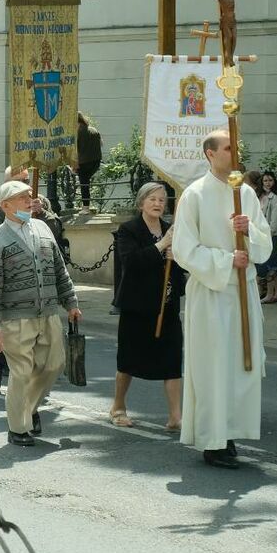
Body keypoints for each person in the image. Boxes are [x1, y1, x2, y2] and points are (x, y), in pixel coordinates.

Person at [171, 129, 273, 469]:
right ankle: (212, 441)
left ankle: (229, 432)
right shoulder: (194, 195)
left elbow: (265, 243)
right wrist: (227, 260)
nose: (235, 152)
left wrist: (249, 232)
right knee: (214, 366)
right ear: (210, 154)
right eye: (228, 147)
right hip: (212, 293)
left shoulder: (245, 193)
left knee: (238, 365)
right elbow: (185, 249)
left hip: (242, 290)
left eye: (236, 146)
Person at [0, 180, 82, 446]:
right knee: (22, 372)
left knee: (54, 364)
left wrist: (70, 302)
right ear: (6, 205)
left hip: (47, 312)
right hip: (15, 317)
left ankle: (29, 409)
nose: (29, 201)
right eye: (22, 197)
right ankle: (18, 427)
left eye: (29, 196)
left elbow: (60, 270)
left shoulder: (43, 228)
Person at [111, 182, 186, 431]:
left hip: (167, 306)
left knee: (173, 360)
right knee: (129, 359)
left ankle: (176, 416)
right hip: (138, 307)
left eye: (162, 200)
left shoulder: (171, 229)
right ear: (141, 202)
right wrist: (161, 245)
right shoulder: (129, 230)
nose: (157, 204)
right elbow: (131, 262)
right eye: (152, 199)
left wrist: (179, 259)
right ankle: (118, 406)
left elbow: (182, 266)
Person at [258, 171, 277, 303]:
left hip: (270, 234)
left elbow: (274, 221)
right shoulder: (261, 196)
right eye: (265, 181)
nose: (268, 183)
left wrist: (268, 234)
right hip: (262, 233)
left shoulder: (275, 198)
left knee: (270, 264)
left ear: (274, 182)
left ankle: (270, 294)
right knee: (272, 262)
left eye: (270, 180)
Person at [76, 112, 103, 209]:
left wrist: (74, 164)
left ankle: (86, 207)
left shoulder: (78, 133)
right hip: (96, 161)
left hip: (83, 163)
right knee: (86, 183)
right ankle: (87, 206)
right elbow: (100, 144)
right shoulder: (93, 130)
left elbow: (76, 149)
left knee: (84, 184)